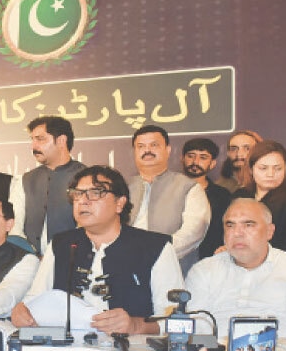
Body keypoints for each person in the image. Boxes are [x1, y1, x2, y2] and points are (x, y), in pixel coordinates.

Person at [11, 166, 182, 335]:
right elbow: (35, 299)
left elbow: (181, 322)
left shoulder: (155, 247)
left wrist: (138, 326)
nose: (83, 201)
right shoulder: (60, 244)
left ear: (119, 204)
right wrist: (21, 311)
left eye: (95, 193)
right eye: (77, 194)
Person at [186, 198, 286, 342]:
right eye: (230, 225)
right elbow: (195, 329)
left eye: (248, 225)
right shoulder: (203, 270)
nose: (238, 233)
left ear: (270, 231)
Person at [128, 126, 209, 275]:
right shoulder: (122, 187)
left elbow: (193, 232)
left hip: (173, 271)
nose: (147, 150)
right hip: (127, 269)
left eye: (154, 145)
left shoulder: (189, 187)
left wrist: (155, 253)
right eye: (141, 146)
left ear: (168, 150)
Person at [234, 140, 286, 256]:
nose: (270, 174)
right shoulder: (239, 196)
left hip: (277, 268)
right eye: (263, 168)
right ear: (251, 169)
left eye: (278, 168)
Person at [20, 116, 85, 255]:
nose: (34, 146)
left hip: (71, 259)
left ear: (61, 141)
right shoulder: (26, 179)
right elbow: (15, 226)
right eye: (32, 139)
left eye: (40, 139)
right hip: (29, 260)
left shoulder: (86, 177)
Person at [181, 137, 232, 260]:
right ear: (182, 159)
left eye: (203, 157)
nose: (195, 161)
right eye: (191, 156)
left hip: (211, 260)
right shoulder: (170, 192)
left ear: (213, 163)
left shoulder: (222, 196)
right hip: (176, 259)